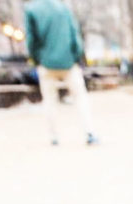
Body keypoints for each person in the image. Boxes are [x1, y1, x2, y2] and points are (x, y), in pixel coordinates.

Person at [25, 0, 98, 145]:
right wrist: (77, 56)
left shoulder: (31, 9)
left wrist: (36, 59)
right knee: (80, 97)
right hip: (68, 61)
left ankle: (54, 136)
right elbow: (74, 35)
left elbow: (31, 39)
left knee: (50, 100)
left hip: (45, 62)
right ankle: (89, 131)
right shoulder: (64, 8)